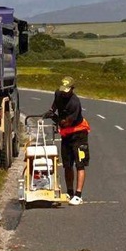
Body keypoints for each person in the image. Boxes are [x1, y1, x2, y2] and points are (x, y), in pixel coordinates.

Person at [45, 76, 91, 205]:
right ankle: (69, 193)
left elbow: (66, 123)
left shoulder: (74, 103)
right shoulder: (58, 93)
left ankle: (78, 195)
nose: (64, 93)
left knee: (79, 164)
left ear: (72, 89)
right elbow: (56, 102)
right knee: (67, 165)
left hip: (78, 134)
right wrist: (51, 110)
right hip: (66, 135)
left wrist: (55, 118)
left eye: (67, 91)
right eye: (63, 90)